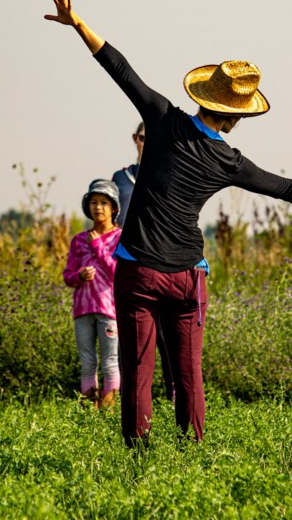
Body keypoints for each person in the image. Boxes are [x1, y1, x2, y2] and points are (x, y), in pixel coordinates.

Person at [45, 0, 292, 444]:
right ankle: (193, 448)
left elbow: (119, 68)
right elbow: (287, 189)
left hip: (138, 271)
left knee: (138, 372)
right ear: (236, 117)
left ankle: (138, 455)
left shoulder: (162, 118)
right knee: (188, 374)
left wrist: (77, 22)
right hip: (187, 277)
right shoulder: (230, 161)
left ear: (203, 97)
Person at [112, 122, 176, 403]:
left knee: (166, 334)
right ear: (134, 139)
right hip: (129, 263)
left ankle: (174, 391)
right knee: (132, 335)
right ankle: (134, 396)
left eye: (151, 139)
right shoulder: (121, 177)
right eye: (141, 138)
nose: (146, 143)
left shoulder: (170, 173)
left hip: (162, 261)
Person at [63, 179, 122, 409]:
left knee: (110, 361)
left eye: (104, 203)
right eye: (94, 202)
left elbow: (119, 273)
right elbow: (67, 276)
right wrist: (79, 276)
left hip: (109, 311)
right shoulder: (78, 240)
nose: (98, 207)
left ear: (114, 208)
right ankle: (88, 409)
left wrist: (97, 247)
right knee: (87, 361)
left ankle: (109, 408)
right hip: (82, 310)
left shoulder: (120, 238)